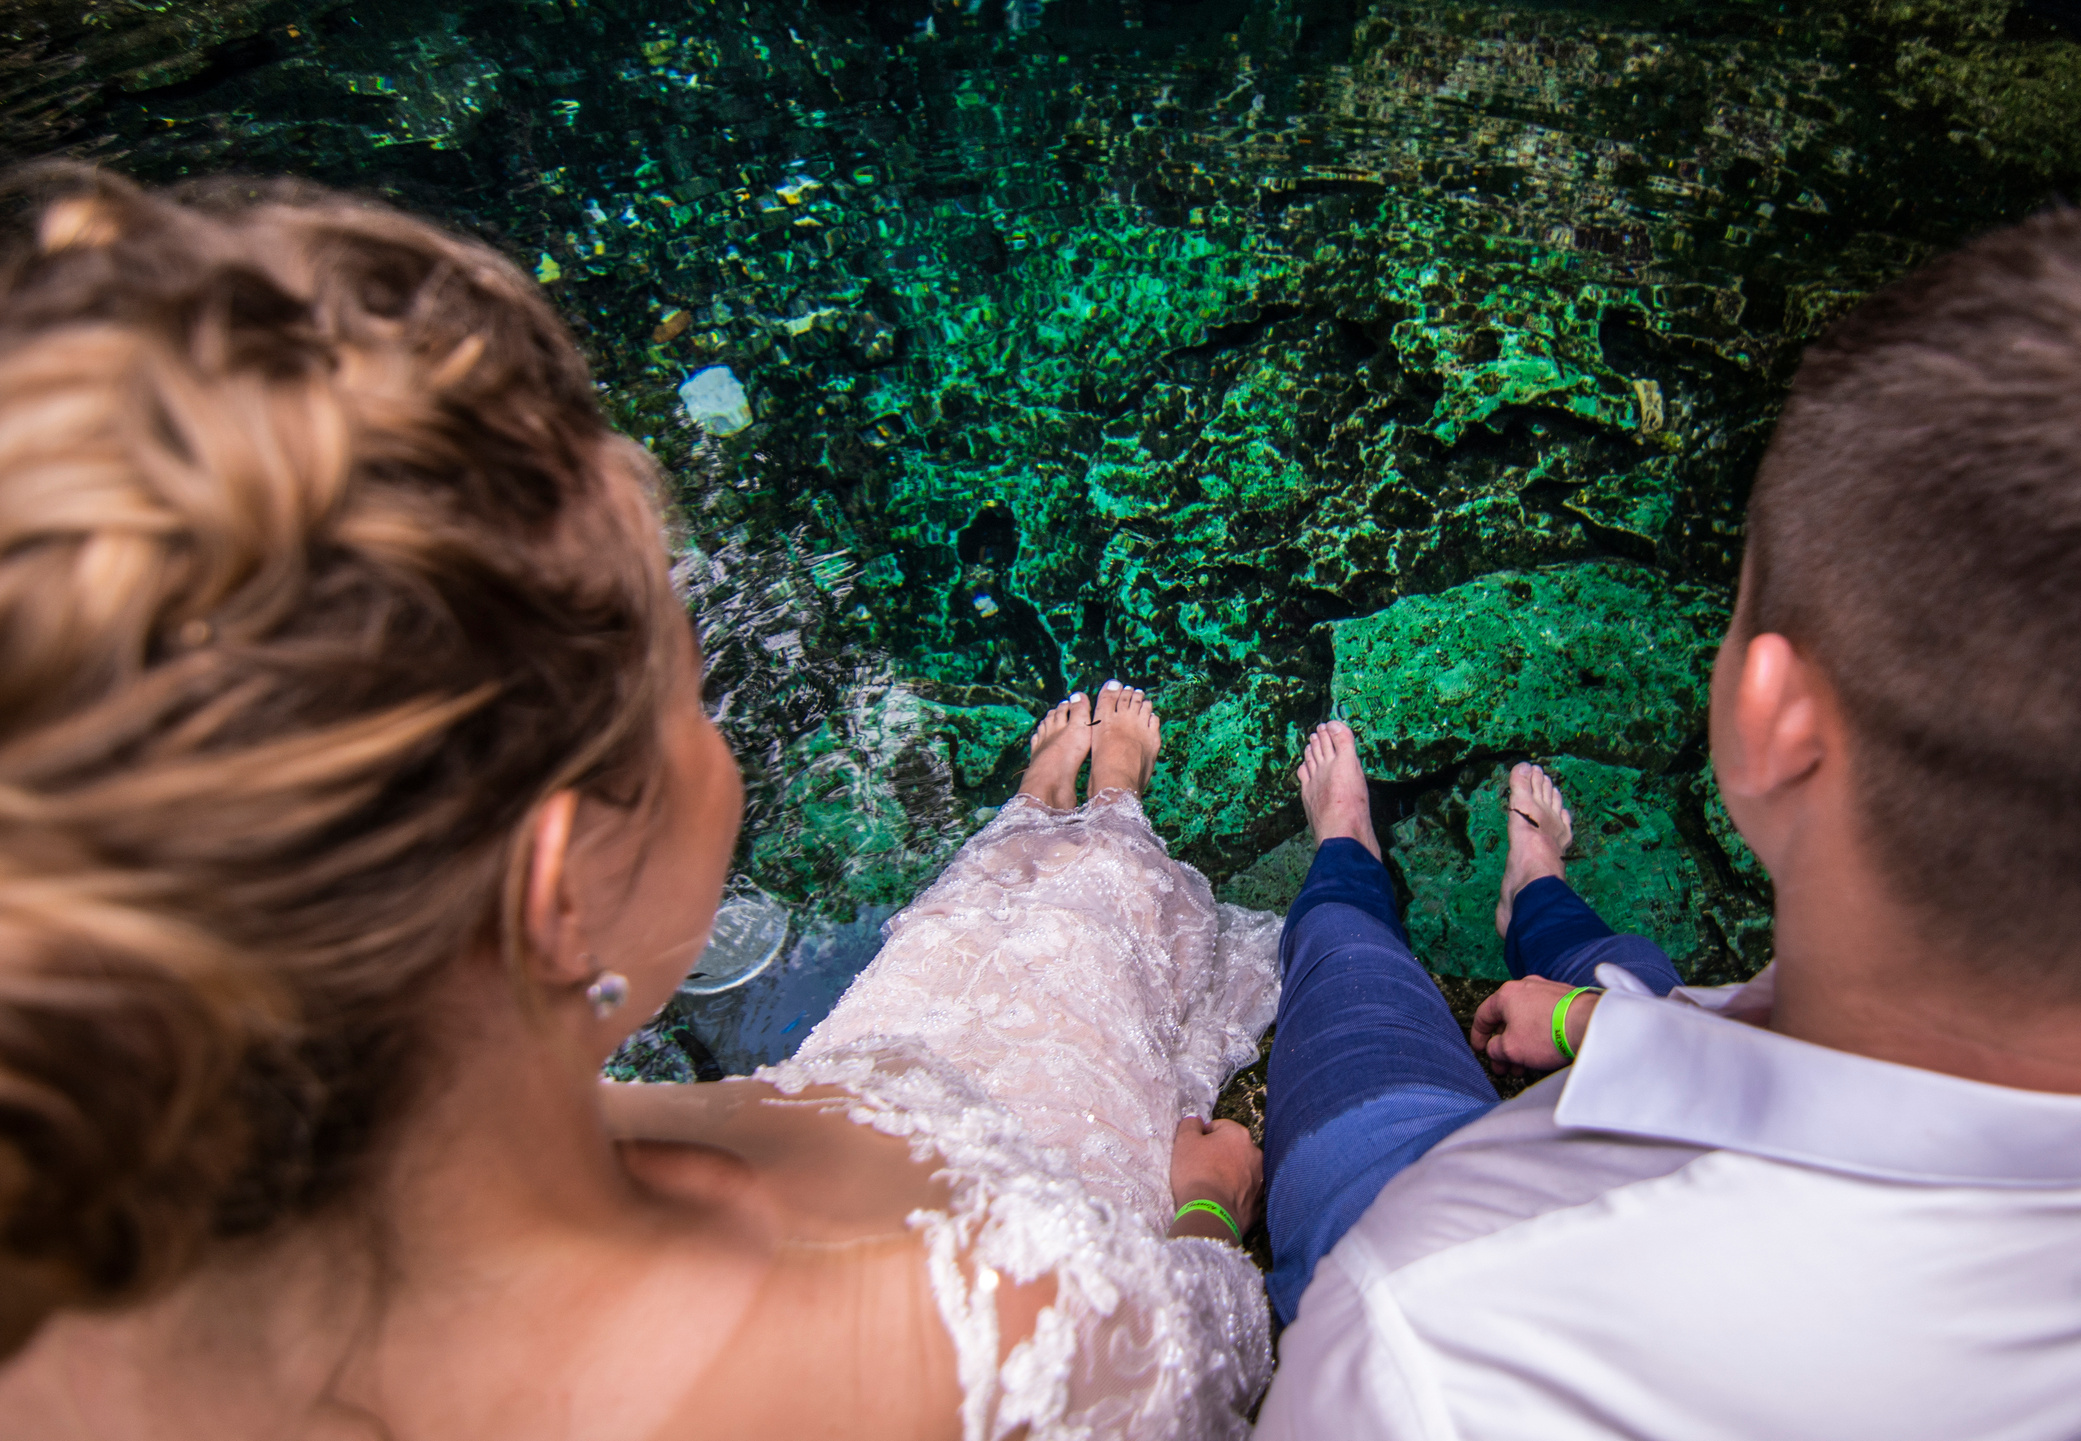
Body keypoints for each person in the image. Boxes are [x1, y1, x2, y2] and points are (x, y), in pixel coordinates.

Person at [0, 170, 1275, 1440]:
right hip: (1078, 1163)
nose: (709, 731)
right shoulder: (976, 1331)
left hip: (907, 1062)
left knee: (968, 929)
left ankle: (1034, 820)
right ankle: (1108, 810)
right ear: (557, 896)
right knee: (1086, 930)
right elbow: (1205, 1366)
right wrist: (1205, 1210)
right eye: (689, 690)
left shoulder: (183, 1232)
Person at [1253, 195, 2081, 1439]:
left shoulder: (1430, 1343)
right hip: (1676, 1090)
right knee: (1629, 983)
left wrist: (1207, 1221)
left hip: (1409, 1203)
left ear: (1775, 720)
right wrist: (1599, 1030)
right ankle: (1541, 902)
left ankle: (1350, 859)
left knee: (1354, 969)